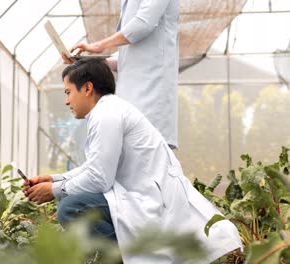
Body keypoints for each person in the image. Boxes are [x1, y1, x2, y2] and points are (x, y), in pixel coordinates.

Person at [23, 58, 241, 263]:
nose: (67, 100)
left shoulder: (106, 115)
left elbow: (99, 179)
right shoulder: (109, 110)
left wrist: (54, 190)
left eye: (68, 92)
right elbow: (94, 167)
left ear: (87, 88)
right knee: (71, 201)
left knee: (72, 208)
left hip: (152, 201)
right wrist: (54, 179)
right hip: (144, 197)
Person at [63, 0, 180, 149]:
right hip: (133, 101)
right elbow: (126, 60)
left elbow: (144, 23)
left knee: (148, 157)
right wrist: (88, 61)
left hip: (152, 99)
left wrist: (99, 45)